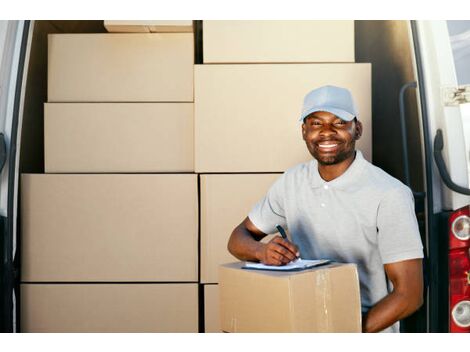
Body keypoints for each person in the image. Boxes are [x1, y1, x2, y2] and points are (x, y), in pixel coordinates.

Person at [227, 85, 424, 333]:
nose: (327, 133)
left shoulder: (388, 194)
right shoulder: (291, 182)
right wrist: (261, 251)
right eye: (316, 123)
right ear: (304, 131)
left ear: (357, 129)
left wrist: (345, 334)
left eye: (339, 122)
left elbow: (410, 294)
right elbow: (237, 238)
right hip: (303, 326)